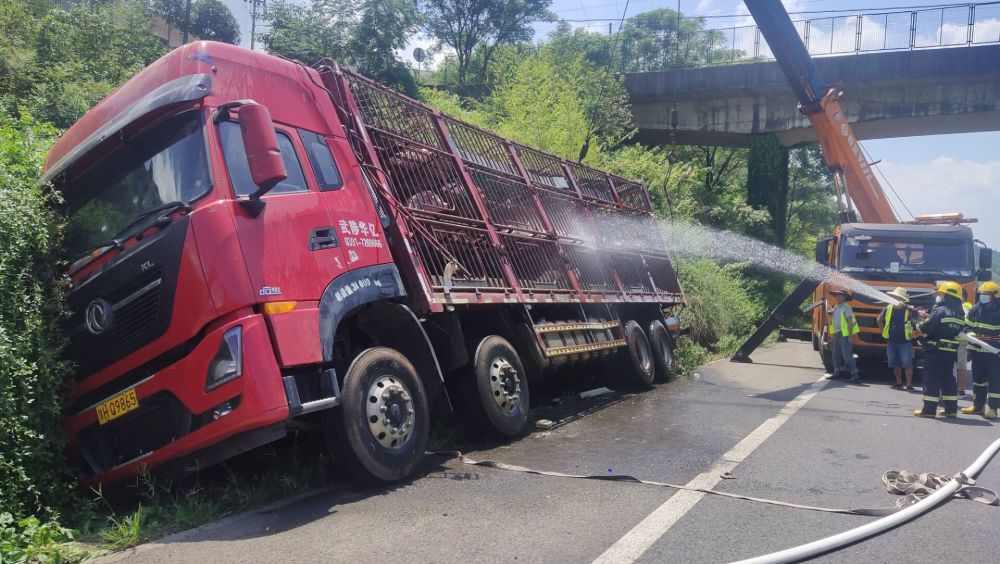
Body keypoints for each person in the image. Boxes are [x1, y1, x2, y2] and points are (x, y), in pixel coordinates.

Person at [913, 281, 966, 418]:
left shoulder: (940, 310)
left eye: (941, 294)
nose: (939, 296)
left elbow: (927, 328)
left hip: (935, 351)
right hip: (950, 352)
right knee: (948, 379)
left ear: (947, 296)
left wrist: (916, 323)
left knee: (931, 378)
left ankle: (929, 411)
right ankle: (951, 410)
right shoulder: (960, 314)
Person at [962, 281, 1000, 419]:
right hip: (977, 351)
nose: (983, 296)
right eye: (981, 294)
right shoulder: (975, 308)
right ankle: (978, 407)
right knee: (978, 381)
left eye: (986, 294)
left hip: (994, 353)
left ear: (995, 296)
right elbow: (967, 326)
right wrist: (971, 336)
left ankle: (993, 409)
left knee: (995, 382)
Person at [877, 287, 915, 391]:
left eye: (896, 297)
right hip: (892, 340)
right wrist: (883, 332)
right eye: (894, 296)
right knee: (895, 362)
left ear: (901, 298)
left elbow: (916, 321)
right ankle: (899, 383)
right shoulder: (889, 307)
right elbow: (879, 319)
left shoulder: (908, 309)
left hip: (904, 340)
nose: (894, 298)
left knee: (906, 363)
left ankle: (908, 384)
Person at [828, 288, 861, 384]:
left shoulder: (847, 308)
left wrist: (850, 336)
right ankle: (837, 372)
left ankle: (855, 374)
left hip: (845, 333)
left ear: (845, 297)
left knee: (847, 355)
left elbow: (850, 323)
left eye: (840, 295)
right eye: (837, 295)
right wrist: (833, 334)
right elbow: (835, 320)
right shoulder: (837, 307)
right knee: (835, 353)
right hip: (837, 333)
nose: (837, 297)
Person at [956, 296, 974, 398]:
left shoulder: (964, 307)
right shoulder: (964, 306)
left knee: (960, 366)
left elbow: (965, 323)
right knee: (959, 366)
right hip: (960, 340)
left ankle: (961, 390)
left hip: (959, 340)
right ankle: (960, 390)